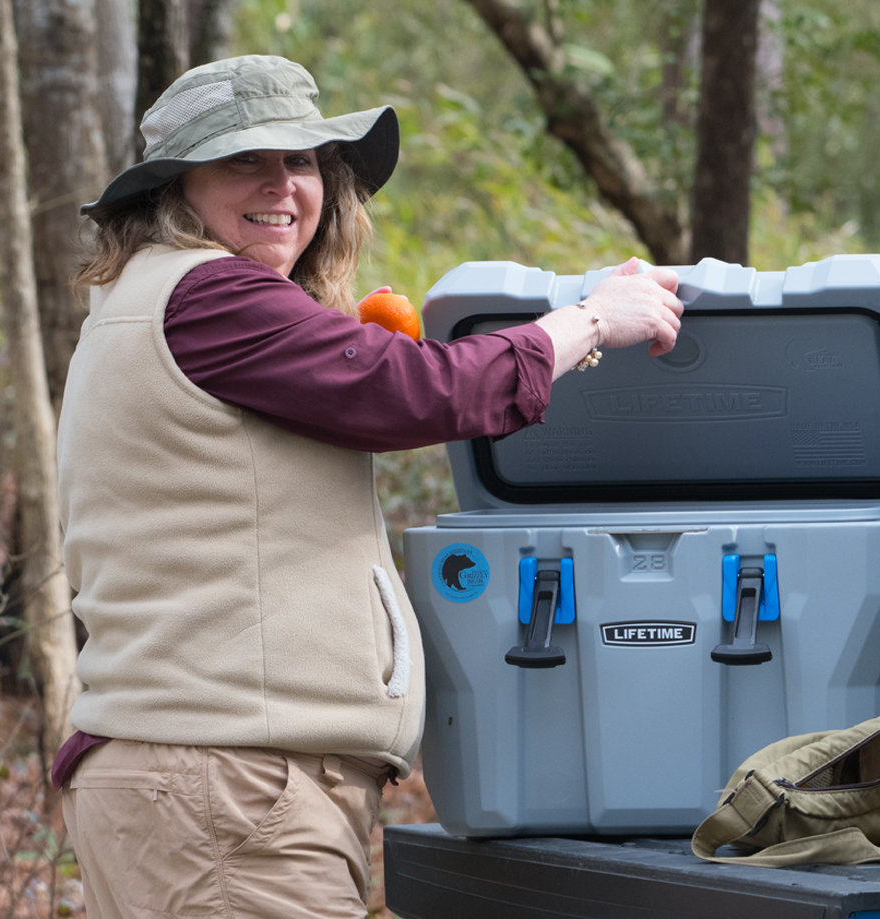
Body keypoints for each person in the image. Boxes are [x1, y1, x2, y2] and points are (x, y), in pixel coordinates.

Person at [53, 54, 683, 918]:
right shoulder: (210, 298)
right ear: (176, 187)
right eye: (245, 159)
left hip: (214, 782)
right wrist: (592, 321)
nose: (283, 184)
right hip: (230, 787)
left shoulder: (154, 301)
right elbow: (422, 390)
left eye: (302, 160)